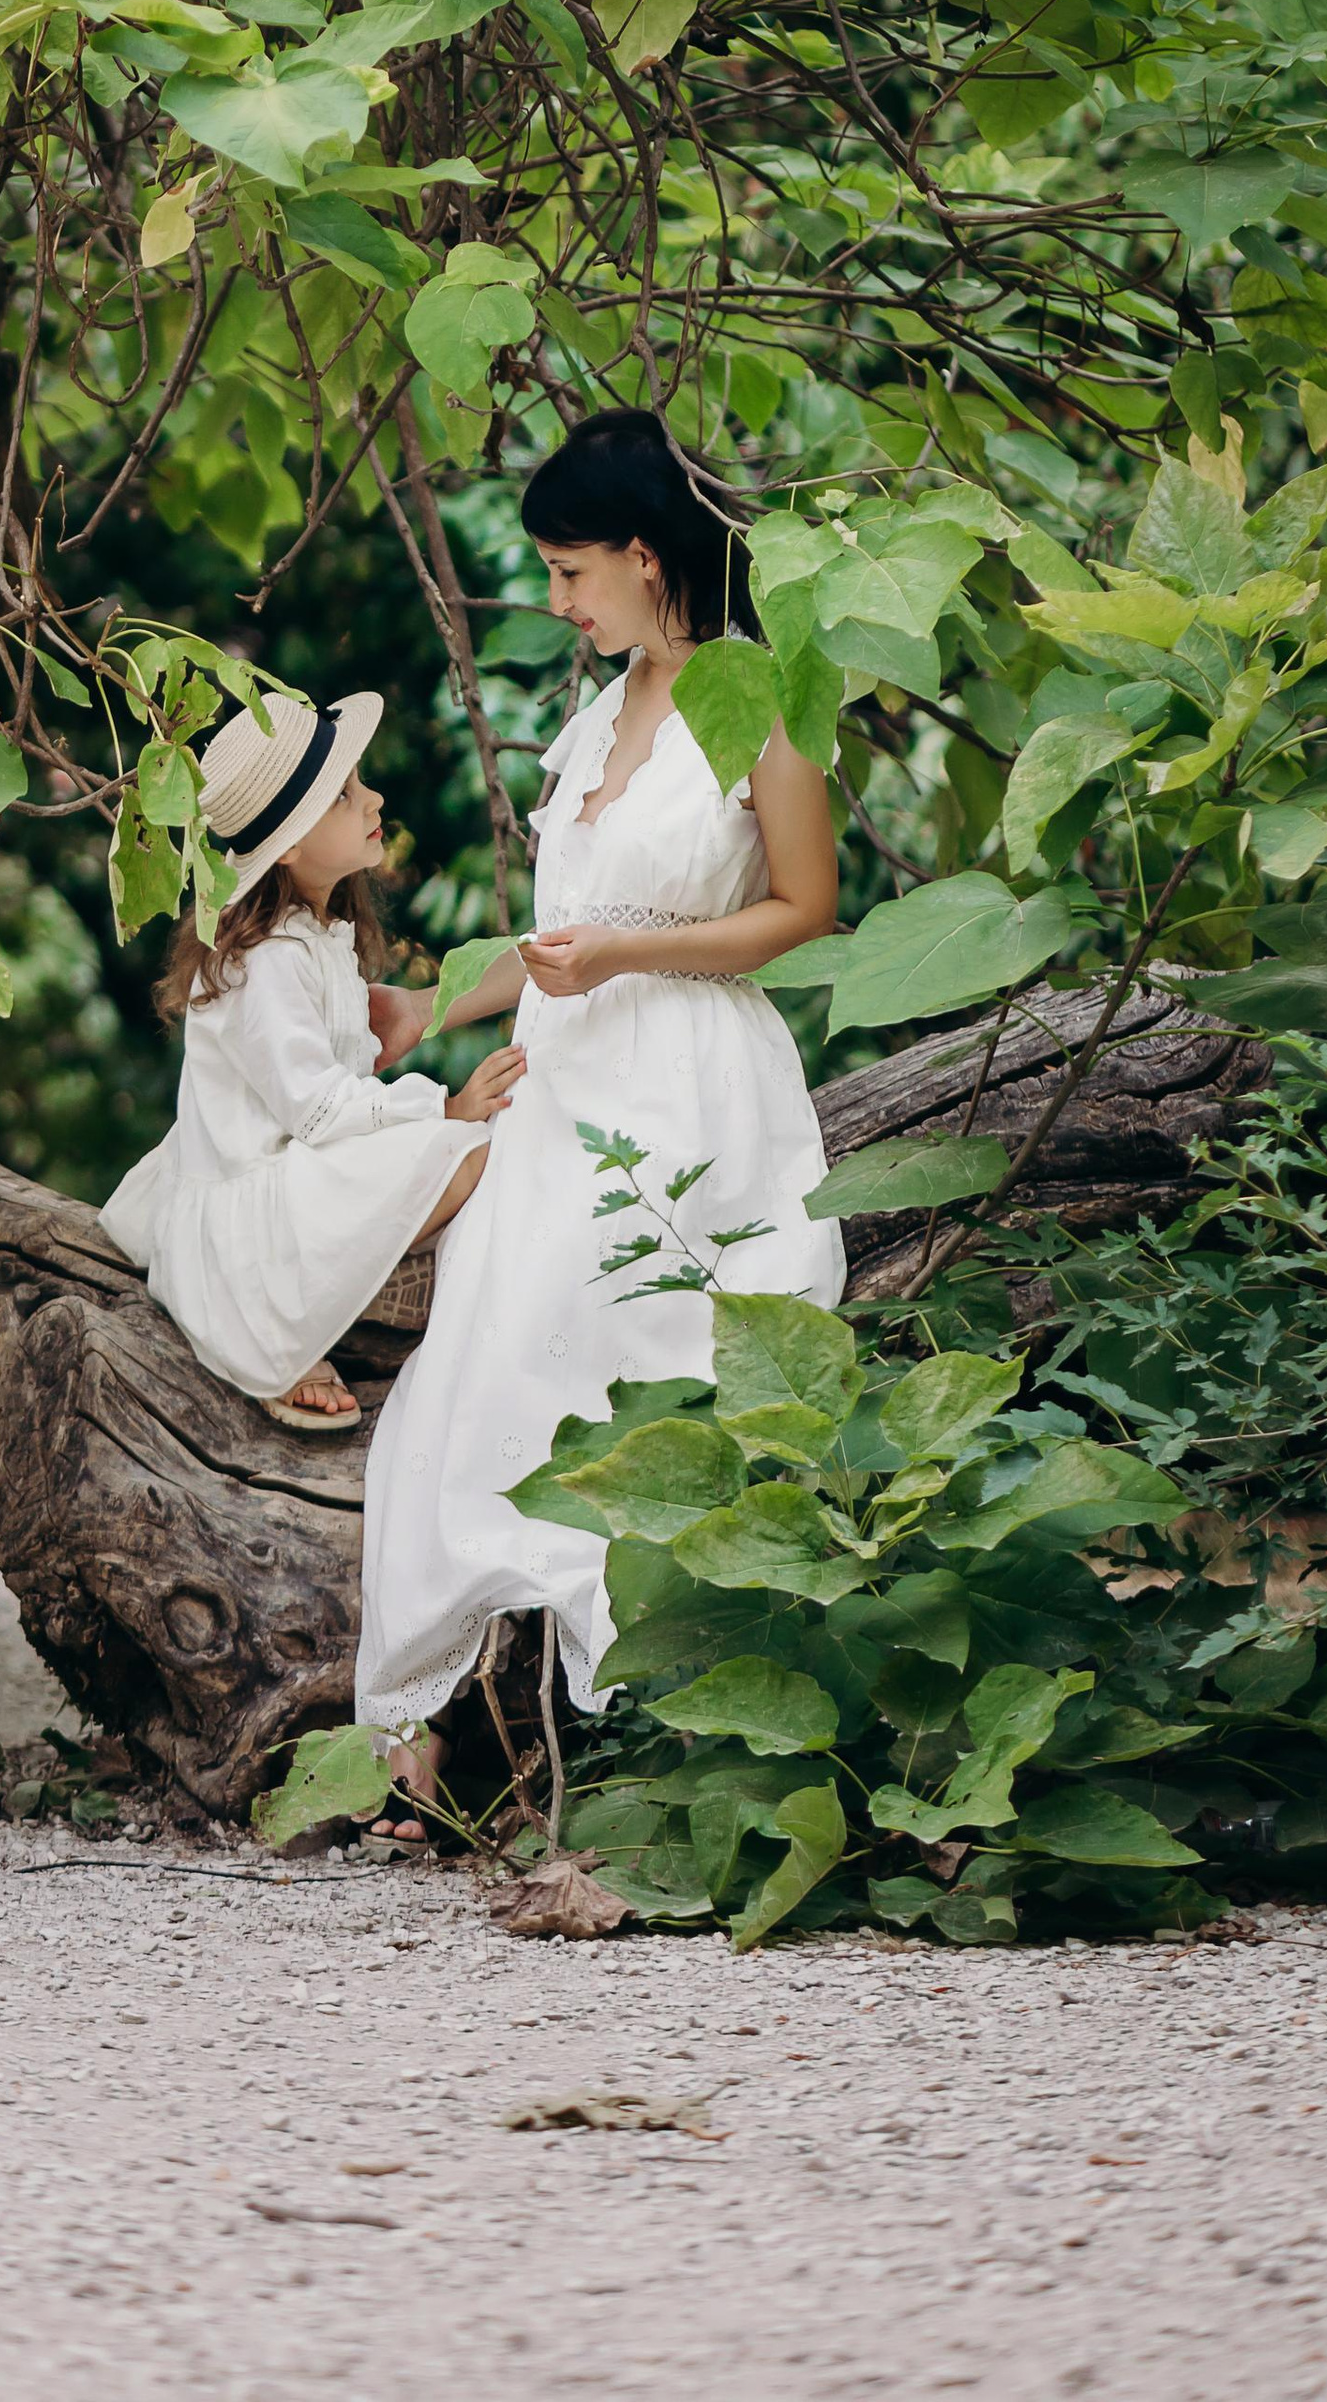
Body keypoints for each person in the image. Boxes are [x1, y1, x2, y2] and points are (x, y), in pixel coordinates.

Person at [356, 409, 847, 1818]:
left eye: (571, 573)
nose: (558, 602)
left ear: (643, 556)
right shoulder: (603, 709)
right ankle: (422, 1742)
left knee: (636, 1357)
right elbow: (561, 934)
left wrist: (632, 958)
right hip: (564, 1077)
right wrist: (422, 1011)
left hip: (691, 1074)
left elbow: (804, 911)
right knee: (481, 1356)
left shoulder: (764, 694)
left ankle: (666, 1730)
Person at [103, 687, 528, 1436]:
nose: (375, 799)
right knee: (464, 1151)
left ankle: (355, 1279)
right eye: (345, 795)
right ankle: (275, 1319)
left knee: (475, 1156)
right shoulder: (265, 961)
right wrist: (443, 1107)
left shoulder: (314, 937)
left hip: (294, 1169)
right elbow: (321, 1109)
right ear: (290, 846)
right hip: (251, 1209)